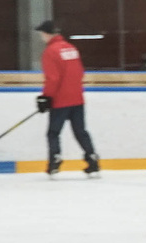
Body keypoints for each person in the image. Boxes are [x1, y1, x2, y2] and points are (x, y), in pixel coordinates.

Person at [34, 17, 98, 177]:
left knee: (53, 132)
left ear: (47, 34)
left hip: (60, 100)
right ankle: (92, 159)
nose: (41, 37)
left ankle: (54, 160)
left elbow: (53, 78)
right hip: (77, 98)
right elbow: (80, 72)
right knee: (80, 131)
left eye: (42, 34)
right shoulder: (71, 48)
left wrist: (46, 97)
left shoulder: (50, 52)